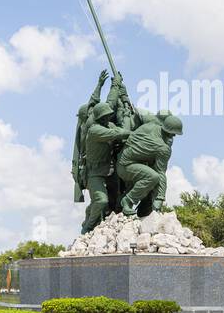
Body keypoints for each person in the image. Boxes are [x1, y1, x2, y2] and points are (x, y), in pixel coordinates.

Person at [116, 110, 183, 216]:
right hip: (126, 167)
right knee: (153, 177)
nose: (174, 136)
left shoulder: (149, 126)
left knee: (149, 177)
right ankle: (127, 201)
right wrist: (160, 198)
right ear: (170, 132)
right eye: (174, 133)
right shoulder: (163, 148)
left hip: (122, 160)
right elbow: (161, 173)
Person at [79, 102, 130, 233]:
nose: (108, 118)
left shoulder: (109, 125)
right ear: (99, 117)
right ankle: (88, 226)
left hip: (109, 169)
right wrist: (132, 133)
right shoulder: (95, 130)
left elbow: (117, 131)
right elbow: (116, 134)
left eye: (109, 115)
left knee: (115, 200)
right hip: (94, 172)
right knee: (101, 201)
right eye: (105, 116)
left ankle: (106, 221)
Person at [71, 70, 110, 203]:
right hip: (93, 167)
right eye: (90, 112)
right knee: (100, 200)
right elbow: (94, 107)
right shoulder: (87, 128)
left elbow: (92, 103)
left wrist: (99, 85)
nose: (92, 111)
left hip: (99, 164)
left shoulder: (85, 124)